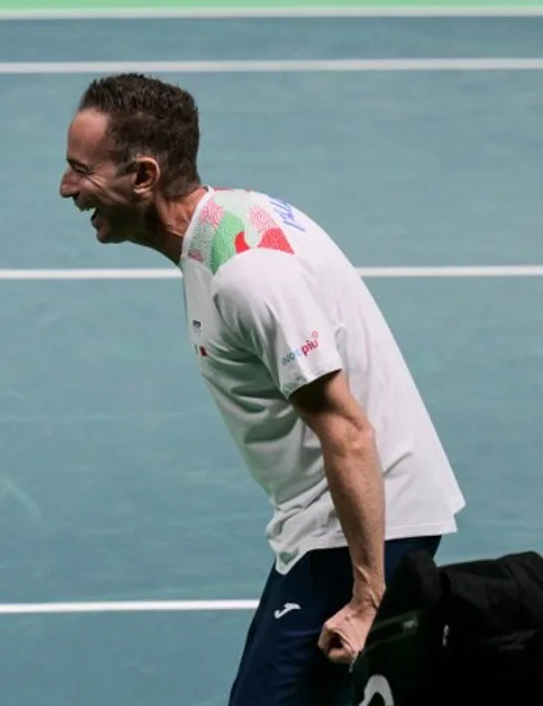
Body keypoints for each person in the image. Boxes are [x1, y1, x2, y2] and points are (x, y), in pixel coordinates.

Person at [57, 73, 465, 705]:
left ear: (143, 176)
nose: (66, 189)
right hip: (327, 521)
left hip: (359, 524)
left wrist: (366, 599)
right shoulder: (225, 223)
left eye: (81, 171)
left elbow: (349, 431)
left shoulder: (247, 275)